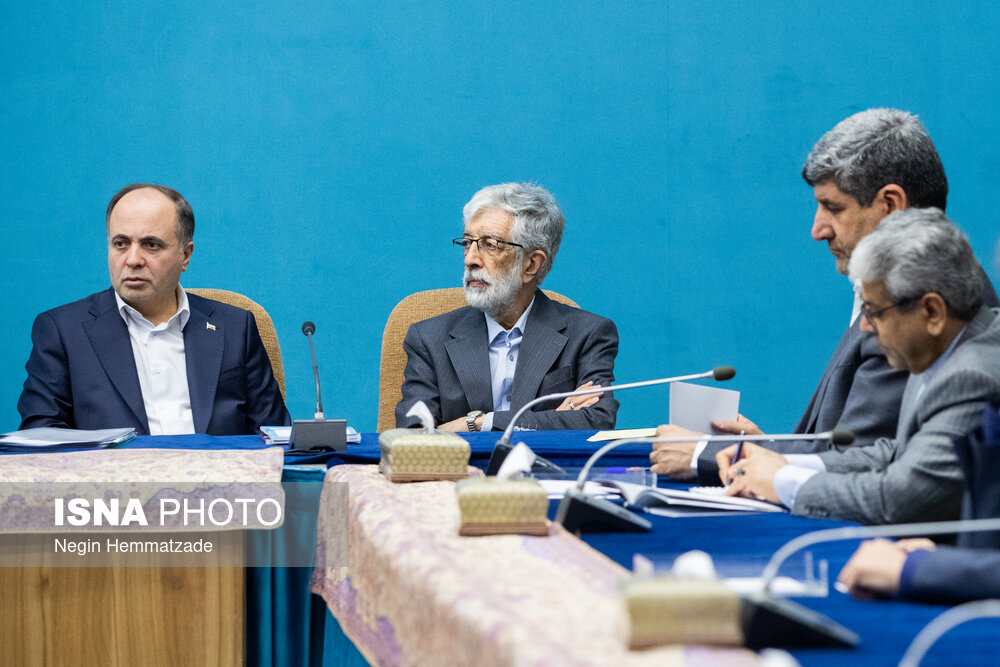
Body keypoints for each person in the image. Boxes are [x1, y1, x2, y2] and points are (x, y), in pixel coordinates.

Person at [650, 108, 997, 483]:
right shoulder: (906, 289)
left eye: (833, 208)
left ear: (891, 206)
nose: (818, 230)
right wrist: (762, 450)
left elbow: (865, 460)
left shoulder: (916, 308)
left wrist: (707, 455)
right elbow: (858, 452)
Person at [717, 209, 1000, 525]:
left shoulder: (972, 374)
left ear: (932, 312)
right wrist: (781, 462)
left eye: (874, 311)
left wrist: (782, 481)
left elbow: (899, 498)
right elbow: (896, 452)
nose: (864, 327)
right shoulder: (943, 347)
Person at [17, 183, 290, 435]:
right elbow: (42, 439)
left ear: (185, 255)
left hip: (218, 473)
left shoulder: (235, 327)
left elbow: (276, 438)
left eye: (151, 245)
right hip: (114, 473)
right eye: (121, 244)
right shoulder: (63, 331)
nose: (133, 260)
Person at [395, 182, 618, 432]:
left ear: (531, 265)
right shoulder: (428, 338)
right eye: (468, 243)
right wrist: (548, 419)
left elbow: (597, 421)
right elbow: (412, 437)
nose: (470, 259)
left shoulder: (588, 334)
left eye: (490, 245)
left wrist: (479, 423)